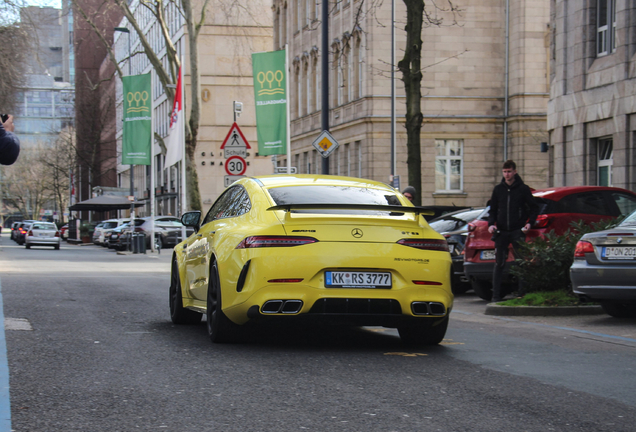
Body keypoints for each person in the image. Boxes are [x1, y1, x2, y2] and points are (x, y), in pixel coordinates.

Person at [487, 160, 539, 302]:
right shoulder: (498, 189)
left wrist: (529, 223)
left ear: (515, 172)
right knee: (499, 263)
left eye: (509, 171)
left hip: (518, 230)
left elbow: (534, 208)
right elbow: (492, 210)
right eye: (504, 172)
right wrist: (491, 224)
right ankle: (495, 296)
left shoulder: (523, 189)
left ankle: (521, 293)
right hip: (501, 231)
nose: (507, 174)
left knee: (520, 262)